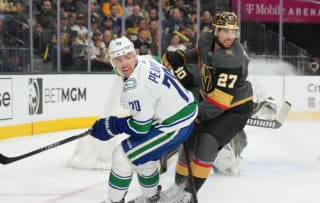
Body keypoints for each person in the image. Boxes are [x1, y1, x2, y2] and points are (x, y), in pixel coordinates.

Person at [89, 36, 198, 203]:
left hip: (173, 127)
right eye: (118, 60)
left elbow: (140, 128)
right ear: (112, 62)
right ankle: (152, 198)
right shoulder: (146, 59)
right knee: (143, 155)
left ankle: (114, 201)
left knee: (122, 156)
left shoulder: (134, 88)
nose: (125, 63)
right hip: (185, 113)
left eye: (127, 57)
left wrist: (113, 125)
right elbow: (157, 61)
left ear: (134, 54)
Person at [160, 11, 254, 202]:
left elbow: (219, 102)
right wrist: (180, 57)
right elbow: (198, 53)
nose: (230, 36)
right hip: (211, 100)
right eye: (225, 31)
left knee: (207, 143)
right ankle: (177, 187)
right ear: (215, 30)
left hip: (235, 108)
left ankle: (187, 195)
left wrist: (194, 114)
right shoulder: (206, 39)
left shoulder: (232, 60)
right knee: (189, 141)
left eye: (233, 31)